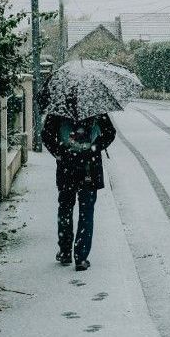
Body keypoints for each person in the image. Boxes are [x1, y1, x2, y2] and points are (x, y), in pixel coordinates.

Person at [41, 99, 116, 272]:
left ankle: (65, 250)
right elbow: (110, 133)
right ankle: (81, 257)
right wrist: (94, 148)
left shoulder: (59, 106)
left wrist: (60, 153)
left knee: (65, 207)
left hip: (67, 168)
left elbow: (46, 135)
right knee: (86, 211)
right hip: (90, 168)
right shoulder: (96, 106)